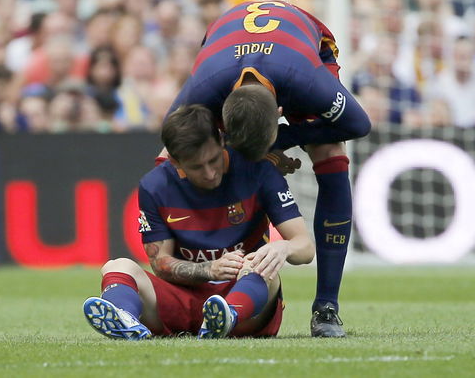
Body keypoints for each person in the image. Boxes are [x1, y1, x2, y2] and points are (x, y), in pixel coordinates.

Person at [162, 0, 371, 337]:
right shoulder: (205, 86)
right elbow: (168, 139)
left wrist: (285, 139)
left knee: (330, 150)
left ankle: (326, 307)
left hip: (304, 47)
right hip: (224, 45)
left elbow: (359, 124)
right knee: (178, 152)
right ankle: (192, 288)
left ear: (280, 112)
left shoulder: (308, 82)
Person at [83, 104, 314, 339]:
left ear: (222, 142)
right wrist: (209, 269)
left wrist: (283, 247)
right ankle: (125, 320)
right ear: (175, 162)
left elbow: (305, 247)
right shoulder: (154, 187)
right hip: (183, 300)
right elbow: (160, 264)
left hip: (246, 299)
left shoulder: (258, 171)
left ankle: (227, 315)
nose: (210, 173)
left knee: (263, 268)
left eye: (213, 160)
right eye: (196, 167)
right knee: (117, 266)